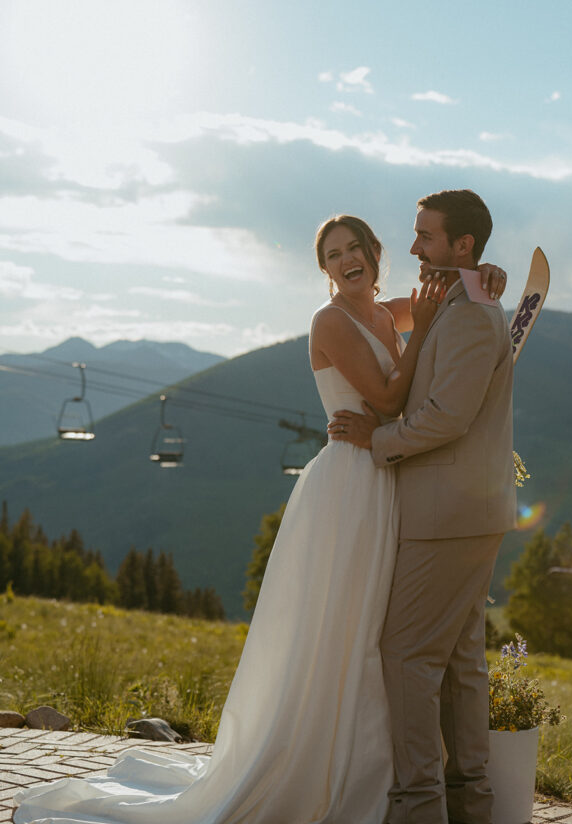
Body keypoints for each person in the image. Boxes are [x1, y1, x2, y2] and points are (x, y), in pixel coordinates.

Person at [13, 213, 507, 824]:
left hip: (387, 483)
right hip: (350, 484)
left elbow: (451, 298)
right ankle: (316, 761)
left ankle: (367, 764)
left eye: (356, 248)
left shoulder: (387, 311)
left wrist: (485, 275)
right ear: (323, 268)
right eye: (333, 254)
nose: (347, 260)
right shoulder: (331, 319)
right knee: (339, 624)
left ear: (376, 255)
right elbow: (384, 400)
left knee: (370, 627)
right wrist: (426, 324)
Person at [330, 190, 516, 824]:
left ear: (461, 245)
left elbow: (446, 417)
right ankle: (473, 805)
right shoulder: (462, 300)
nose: (414, 247)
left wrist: (377, 439)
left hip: (446, 513)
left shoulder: (468, 312)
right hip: (464, 511)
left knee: (407, 656)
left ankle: (417, 809)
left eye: (426, 237)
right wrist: (481, 277)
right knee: (462, 663)